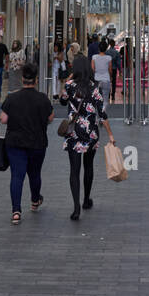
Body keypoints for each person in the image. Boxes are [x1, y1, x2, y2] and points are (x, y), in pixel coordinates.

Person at [61, 55, 115, 221]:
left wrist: (69, 79)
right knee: (88, 166)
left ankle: (76, 208)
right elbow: (102, 114)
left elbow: (62, 102)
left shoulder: (69, 86)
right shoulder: (95, 88)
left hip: (74, 132)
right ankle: (86, 200)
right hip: (91, 133)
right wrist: (111, 135)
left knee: (74, 171)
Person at [0, 63, 53, 225]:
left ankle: (16, 211)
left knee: (17, 176)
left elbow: (3, 119)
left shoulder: (12, 97)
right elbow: (50, 118)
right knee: (34, 174)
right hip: (37, 142)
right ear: (36, 80)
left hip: (15, 143)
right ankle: (35, 201)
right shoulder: (42, 98)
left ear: (22, 79)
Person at [92, 39, 114, 105]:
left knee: (96, 97)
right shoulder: (109, 58)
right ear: (106, 48)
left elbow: (92, 69)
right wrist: (110, 77)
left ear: (99, 48)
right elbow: (110, 70)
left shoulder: (94, 57)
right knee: (105, 97)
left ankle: (97, 111)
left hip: (97, 79)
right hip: (106, 79)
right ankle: (103, 111)